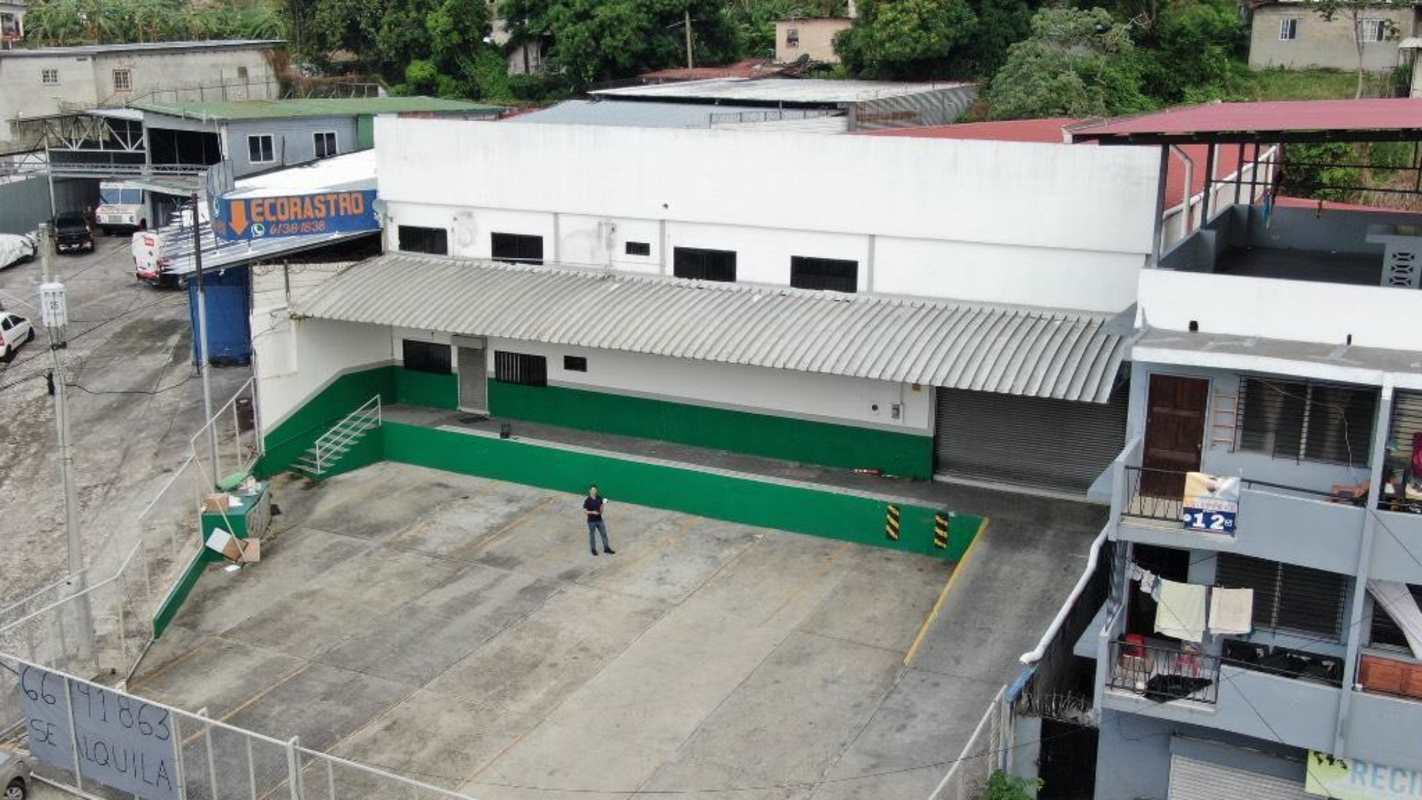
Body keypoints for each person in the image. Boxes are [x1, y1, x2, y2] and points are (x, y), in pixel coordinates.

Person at [583, 485, 615, 556]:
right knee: (592, 535)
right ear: (590, 491)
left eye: (595, 490)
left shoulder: (599, 498)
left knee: (604, 534)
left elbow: (602, 505)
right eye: (593, 490)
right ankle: (593, 549)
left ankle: (606, 548)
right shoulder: (587, 500)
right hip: (591, 521)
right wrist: (592, 512)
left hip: (599, 520)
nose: (594, 491)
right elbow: (585, 511)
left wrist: (602, 508)